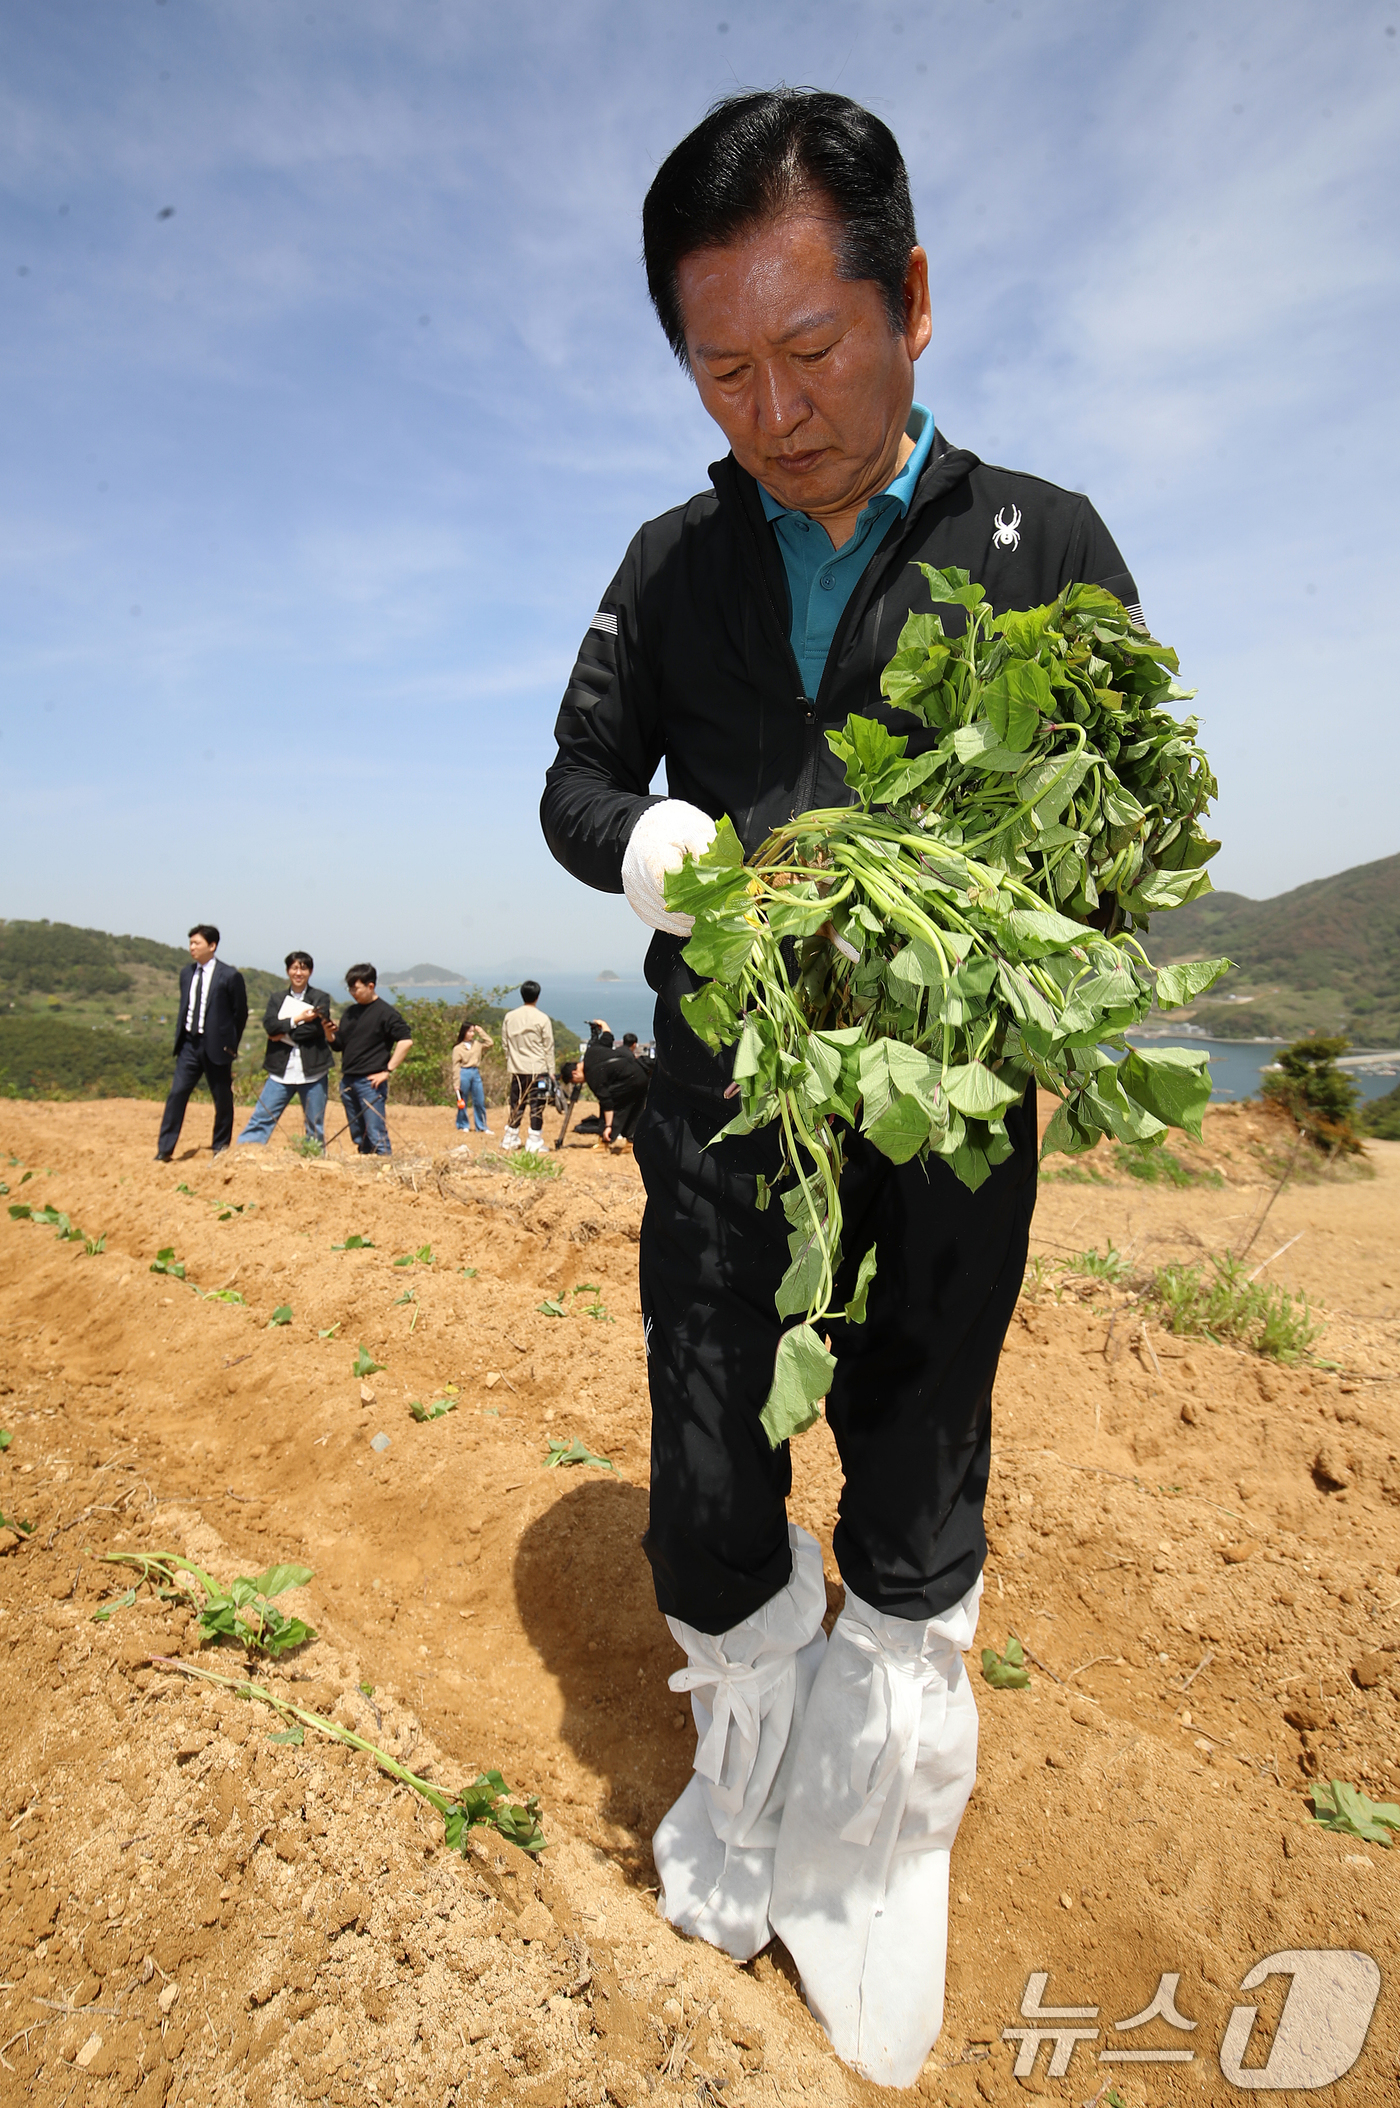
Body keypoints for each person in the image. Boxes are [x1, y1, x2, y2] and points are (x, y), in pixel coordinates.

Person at [539, 91, 1141, 2087]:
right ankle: (750, 1751)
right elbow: (574, 783)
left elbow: (1116, 826)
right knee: (710, 1467)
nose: (774, 407)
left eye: (815, 350)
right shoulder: (669, 561)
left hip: (944, 1106)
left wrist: (1009, 917)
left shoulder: (1038, 545)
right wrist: (656, 853)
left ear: (913, 304)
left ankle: (879, 1848)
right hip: (729, 1094)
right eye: (724, 368)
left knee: (913, 1451)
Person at [154, 925, 249, 1162]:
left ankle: (220, 1147)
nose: (192, 948)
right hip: (189, 1044)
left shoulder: (229, 975)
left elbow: (240, 1014)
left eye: (196, 943)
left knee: (222, 1098)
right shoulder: (187, 973)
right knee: (177, 1094)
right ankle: (164, 1150)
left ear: (212, 946)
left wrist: (231, 1045)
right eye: (190, 943)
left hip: (217, 1046)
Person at [235, 951, 333, 1149]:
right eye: (294, 968)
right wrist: (297, 1020)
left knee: (315, 1125)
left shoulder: (320, 997)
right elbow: (270, 1026)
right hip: (281, 1071)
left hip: (313, 1072)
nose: (298, 972)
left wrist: (283, 1031)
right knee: (262, 1117)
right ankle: (244, 1153)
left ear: (310, 972)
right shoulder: (277, 998)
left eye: (303, 968)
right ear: (288, 971)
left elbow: (313, 1031)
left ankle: (313, 1161)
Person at [321, 964, 413, 1155]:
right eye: (350, 989)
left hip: (370, 1082)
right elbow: (339, 1045)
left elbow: (406, 1041)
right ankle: (367, 1165)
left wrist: (387, 1071)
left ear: (370, 986)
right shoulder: (349, 1013)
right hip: (348, 1080)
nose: (353, 993)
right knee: (358, 1133)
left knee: (375, 1131)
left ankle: (386, 1166)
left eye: (356, 988)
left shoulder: (385, 1012)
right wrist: (329, 1034)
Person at [500, 980, 554, 1154]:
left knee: (516, 1103)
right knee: (537, 1104)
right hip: (538, 1069)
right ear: (537, 997)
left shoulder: (510, 1016)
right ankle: (534, 1140)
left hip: (516, 1068)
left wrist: (511, 1059)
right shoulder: (542, 1018)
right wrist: (551, 1071)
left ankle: (510, 1137)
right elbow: (548, 1047)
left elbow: (505, 1043)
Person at [582, 1019, 649, 1154]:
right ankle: (631, 1141)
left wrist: (607, 1126)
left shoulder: (592, 1074)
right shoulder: (594, 1049)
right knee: (636, 1108)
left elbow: (607, 1103)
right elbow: (608, 1036)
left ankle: (605, 1139)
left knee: (616, 1103)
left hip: (629, 1079)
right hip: (642, 1076)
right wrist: (603, 1024)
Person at [451, 1017, 495, 1135]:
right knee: (462, 1101)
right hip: (463, 1073)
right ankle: (463, 1124)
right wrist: (456, 1083)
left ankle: (482, 1126)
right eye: (469, 1031)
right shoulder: (458, 1048)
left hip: (475, 1072)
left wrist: (480, 1031)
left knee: (479, 1101)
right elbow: (455, 1066)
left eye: (472, 1032)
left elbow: (490, 1042)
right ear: (464, 1032)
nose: (471, 1034)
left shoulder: (477, 1044)